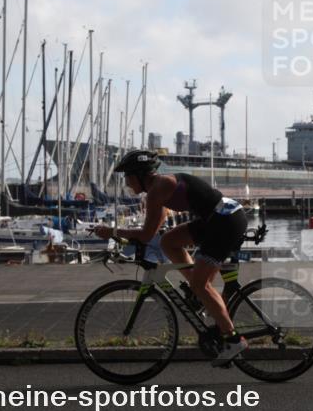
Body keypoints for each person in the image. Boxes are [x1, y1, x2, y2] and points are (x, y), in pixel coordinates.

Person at [92, 150, 249, 365]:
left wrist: (113, 232)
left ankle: (233, 339)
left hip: (225, 221)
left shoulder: (158, 189)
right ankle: (197, 292)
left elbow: (147, 235)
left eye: (127, 176)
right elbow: (156, 227)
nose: (127, 183)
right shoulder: (157, 190)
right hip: (216, 218)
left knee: (200, 285)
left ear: (140, 175)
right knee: (169, 241)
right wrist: (125, 236)